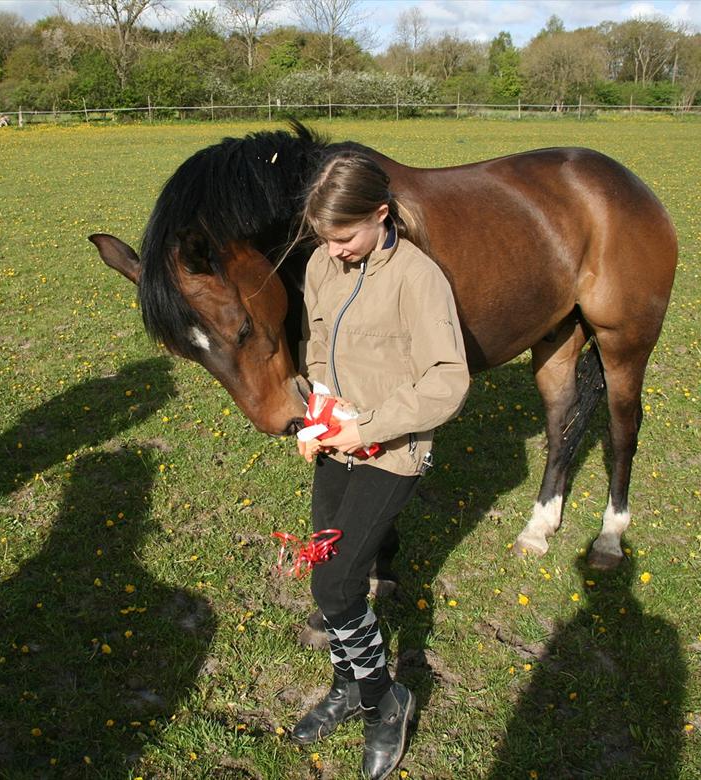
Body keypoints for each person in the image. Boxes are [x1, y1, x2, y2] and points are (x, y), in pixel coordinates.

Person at [292, 152, 470, 780]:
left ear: (381, 215)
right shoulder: (320, 263)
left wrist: (363, 425)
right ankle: (349, 686)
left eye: (344, 236)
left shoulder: (417, 278)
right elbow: (317, 342)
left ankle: (383, 703)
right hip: (338, 442)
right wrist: (317, 411)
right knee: (326, 568)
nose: (334, 251)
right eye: (324, 238)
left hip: (392, 453)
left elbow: (448, 381)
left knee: (336, 586)